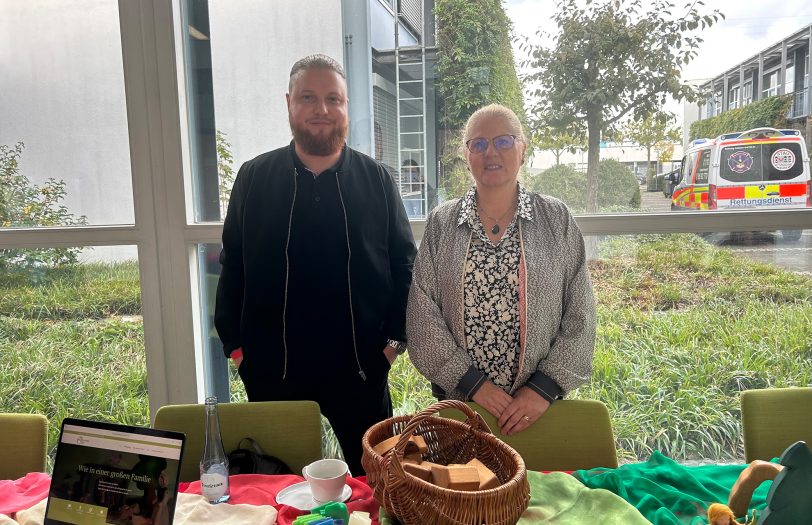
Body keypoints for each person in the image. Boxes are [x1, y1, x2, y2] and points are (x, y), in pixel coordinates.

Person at [215, 54, 416, 474]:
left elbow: (405, 269)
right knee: (276, 491)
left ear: (346, 107)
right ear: (288, 102)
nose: (321, 109)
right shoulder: (253, 178)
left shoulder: (377, 180)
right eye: (308, 97)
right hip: (273, 374)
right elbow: (233, 268)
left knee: (379, 488)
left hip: (362, 372)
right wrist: (237, 349)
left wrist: (392, 346)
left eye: (332, 98)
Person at [406, 103, 596, 436]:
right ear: (466, 156)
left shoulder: (556, 219)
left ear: (523, 150)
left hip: (537, 412)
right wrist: (474, 386)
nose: (490, 151)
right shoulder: (442, 223)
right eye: (478, 144)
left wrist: (543, 389)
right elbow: (422, 314)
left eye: (504, 141)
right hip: (462, 407)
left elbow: (581, 312)